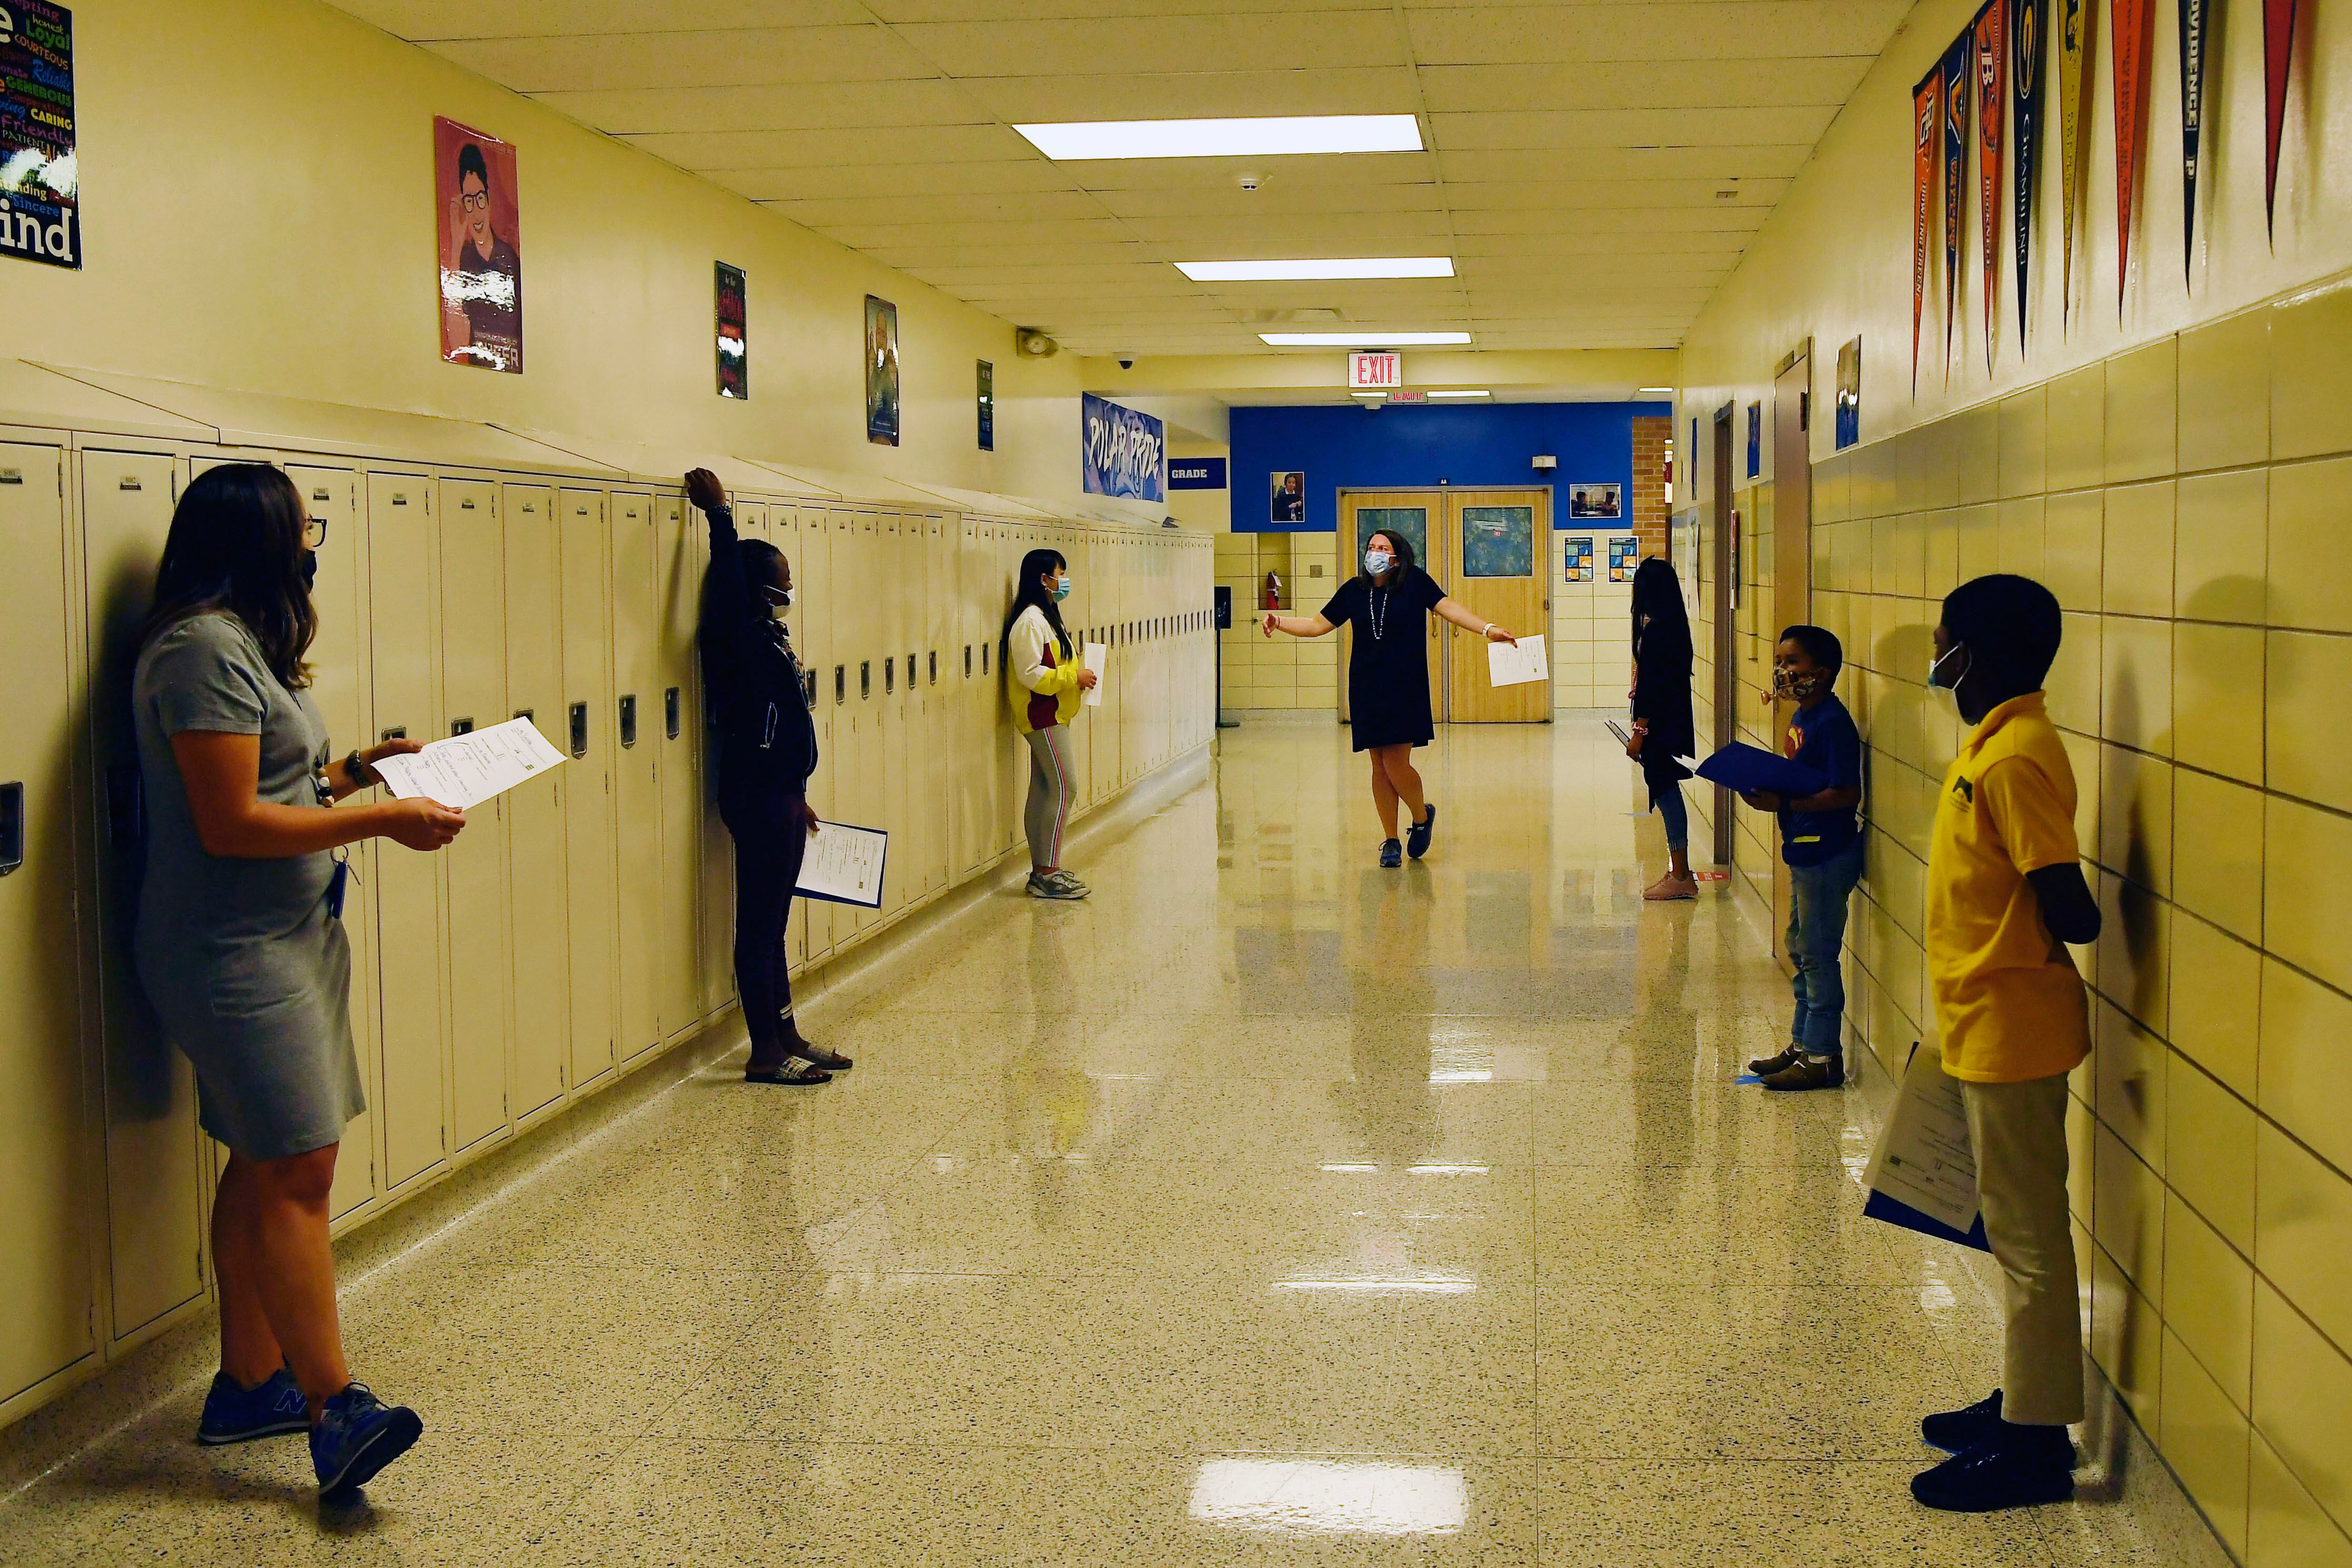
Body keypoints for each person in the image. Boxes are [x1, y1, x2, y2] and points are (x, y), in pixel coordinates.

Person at [132, 463, 463, 1497]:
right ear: (258, 537)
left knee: (264, 1157)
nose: (311, 539)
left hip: (285, 938)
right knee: (299, 1168)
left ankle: (248, 1383)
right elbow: (229, 823)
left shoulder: (240, 645)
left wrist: (358, 769)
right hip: (232, 952)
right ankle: (333, 1408)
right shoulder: (197, 649)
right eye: (301, 524)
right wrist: (384, 818)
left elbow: (274, 782)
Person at [1910, 574, 2101, 1513]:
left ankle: (2036, 1447)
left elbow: (2068, 902)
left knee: (2027, 1239)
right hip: (1981, 1019)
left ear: (1970, 655)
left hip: (2014, 1027)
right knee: (2011, 1226)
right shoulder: (1988, 743)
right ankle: (2022, 1398)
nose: (1932, 652)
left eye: (1941, 638)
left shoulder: (2016, 755)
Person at [688, 468, 850, 1084]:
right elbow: (728, 583)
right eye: (781, 580)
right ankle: (764, 1051)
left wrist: (796, 792)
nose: (789, 588)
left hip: (778, 794)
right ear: (757, 587)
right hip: (756, 796)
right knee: (758, 926)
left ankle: (786, 1033)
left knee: (774, 925)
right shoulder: (734, 633)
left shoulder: (765, 635)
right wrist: (720, 516)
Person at [1260, 529, 1515, 867]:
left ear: (1397, 556)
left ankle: (1422, 816)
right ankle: (1391, 840)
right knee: (1378, 765)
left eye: (1383, 548)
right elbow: (1316, 625)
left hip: (1405, 685)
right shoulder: (1354, 590)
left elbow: (1449, 608)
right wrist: (1279, 621)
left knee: (1396, 763)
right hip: (1367, 686)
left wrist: (1488, 629)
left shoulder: (1415, 582)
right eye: (1371, 547)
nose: (1376, 553)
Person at [1742, 625, 1865, 1089]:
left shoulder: (1832, 722)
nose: (1782, 671)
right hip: (1803, 847)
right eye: (1780, 661)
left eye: (1792, 663)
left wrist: (1786, 804)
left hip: (1826, 852)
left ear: (1823, 671)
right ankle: (1801, 1043)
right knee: (1800, 948)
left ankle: (1822, 1056)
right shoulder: (1803, 717)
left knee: (1817, 954)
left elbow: (1845, 792)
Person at [1002, 547, 1099, 898]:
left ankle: (1041, 871)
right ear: (1043, 579)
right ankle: (1048, 871)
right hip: (1041, 714)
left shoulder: (1045, 618)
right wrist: (1073, 677)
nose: (1063, 581)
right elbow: (1030, 674)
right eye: (1060, 574)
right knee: (1065, 787)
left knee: (1044, 788)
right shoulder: (1029, 622)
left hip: (1055, 713)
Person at [1625, 557, 1696, 899]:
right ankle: (1679, 870)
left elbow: (1654, 685)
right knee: (1666, 788)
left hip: (1658, 725)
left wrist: (1639, 731)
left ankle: (1680, 874)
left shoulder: (1656, 632)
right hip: (1671, 720)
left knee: (1666, 791)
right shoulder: (1673, 626)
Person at [441, 141, 521, 371]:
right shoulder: (464, 260)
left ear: (489, 200)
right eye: (468, 201)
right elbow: (457, 344)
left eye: (480, 199)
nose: (476, 211)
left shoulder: (510, 259)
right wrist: (456, 244)